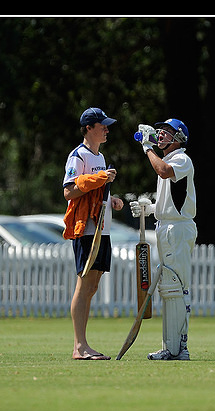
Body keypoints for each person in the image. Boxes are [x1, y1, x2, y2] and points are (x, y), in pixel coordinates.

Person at [131, 118, 197, 360]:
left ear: (178, 138)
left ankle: (179, 347)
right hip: (167, 226)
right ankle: (172, 347)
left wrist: (146, 147)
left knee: (176, 287)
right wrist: (149, 209)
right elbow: (170, 202)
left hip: (177, 230)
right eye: (159, 132)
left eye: (166, 132)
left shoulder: (181, 159)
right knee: (169, 287)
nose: (160, 135)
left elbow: (163, 171)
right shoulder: (168, 159)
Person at [62, 107, 124, 360]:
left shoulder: (99, 155)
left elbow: (98, 192)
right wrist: (98, 178)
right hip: (86, 229)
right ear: (89, 128)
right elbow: (69, 191)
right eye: (102, 125)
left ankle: (83, 345)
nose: (107, 129)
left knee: (93, 285)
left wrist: (114, 200)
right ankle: (79, 346)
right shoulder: (78, 155)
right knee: (84, 284)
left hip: (102, 227)